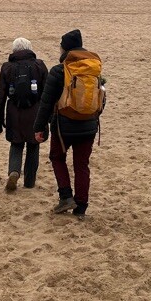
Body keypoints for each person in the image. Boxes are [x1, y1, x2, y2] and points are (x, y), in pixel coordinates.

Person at [33, 29, 103, 217]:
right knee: (81, 165)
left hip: (63, 126)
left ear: (65, 49)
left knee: (57, 157)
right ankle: (81, 206)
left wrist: (39, 127)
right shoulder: (94, 69)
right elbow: (101, 98)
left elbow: (46, 103)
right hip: (89, 125)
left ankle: (65, 197)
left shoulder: (59, 70)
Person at [0, 38, 48, 191]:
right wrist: (49, 117)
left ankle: (14, 171)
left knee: (16, 144)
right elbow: (47, 93)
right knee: (33, 145)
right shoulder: (39, 65)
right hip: (35, 112)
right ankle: (29, 182)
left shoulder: (7, 67)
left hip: (14, 112)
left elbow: (1, 95)